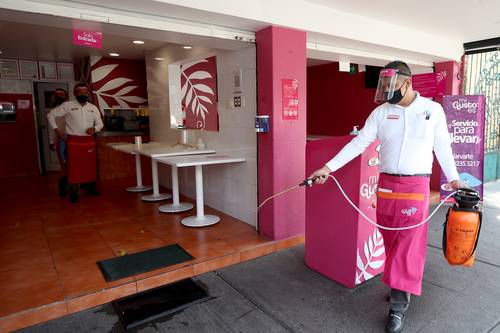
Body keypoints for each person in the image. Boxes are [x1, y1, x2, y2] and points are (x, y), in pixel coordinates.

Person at [309, 61, 466, 333]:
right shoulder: (381, 113)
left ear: (407, 82)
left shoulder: (432, 110)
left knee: (408, 244)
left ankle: (398, 307)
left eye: (390, 85)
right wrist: (327, 167)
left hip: (416, 186)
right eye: (383, 86)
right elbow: (358, 144)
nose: (386, 91)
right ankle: (399, 283)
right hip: (386, 186)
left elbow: (442, 146)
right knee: (390, 240)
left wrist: (453, 178)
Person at [47, 83, 103, 203]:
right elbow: (50, 115)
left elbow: (100, 124)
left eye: (85, 91)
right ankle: (74, 192)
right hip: (74, 142)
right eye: (80, 91)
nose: (83, 93)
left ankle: (91, 188)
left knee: (90, 166)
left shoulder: (93, 108)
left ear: (88, 93)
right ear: (75, 93)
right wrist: (57, 130)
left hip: (89, 142)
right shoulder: (67, 105)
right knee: (73, 169)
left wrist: (95, 129)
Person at [47, 88, 69, 196]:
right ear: (54, 97)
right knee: (64, 165)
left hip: (73, 140)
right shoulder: (53, 112)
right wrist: (51, 141)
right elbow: (52, 128)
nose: (59, 96)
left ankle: (76, 184)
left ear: (66, 96)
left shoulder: (71, 108)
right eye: (57, 95)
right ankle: (63, 189)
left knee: (75, 164)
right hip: (60, 141)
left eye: (62, 94)